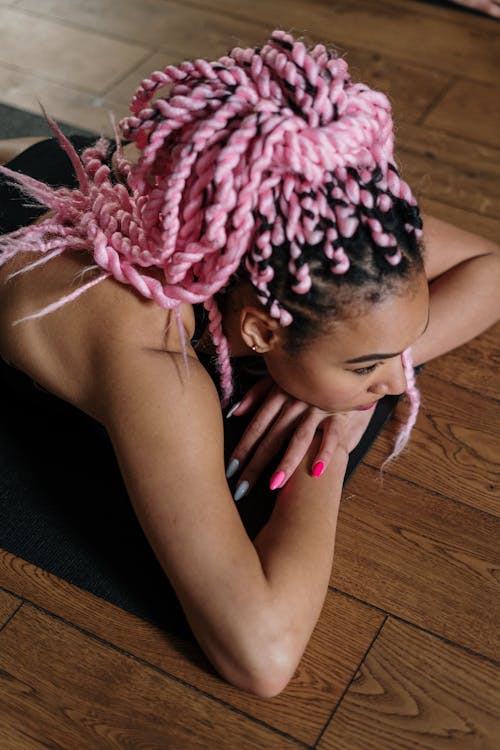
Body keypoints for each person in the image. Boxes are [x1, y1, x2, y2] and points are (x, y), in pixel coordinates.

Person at [0, 30, 498, 697]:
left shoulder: (296, 226)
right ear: (263, 330)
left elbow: (494, 268)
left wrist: (358, 376)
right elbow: (261, 657)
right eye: (368, 367)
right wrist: (329, 438)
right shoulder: (152, 362)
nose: (393, 382)